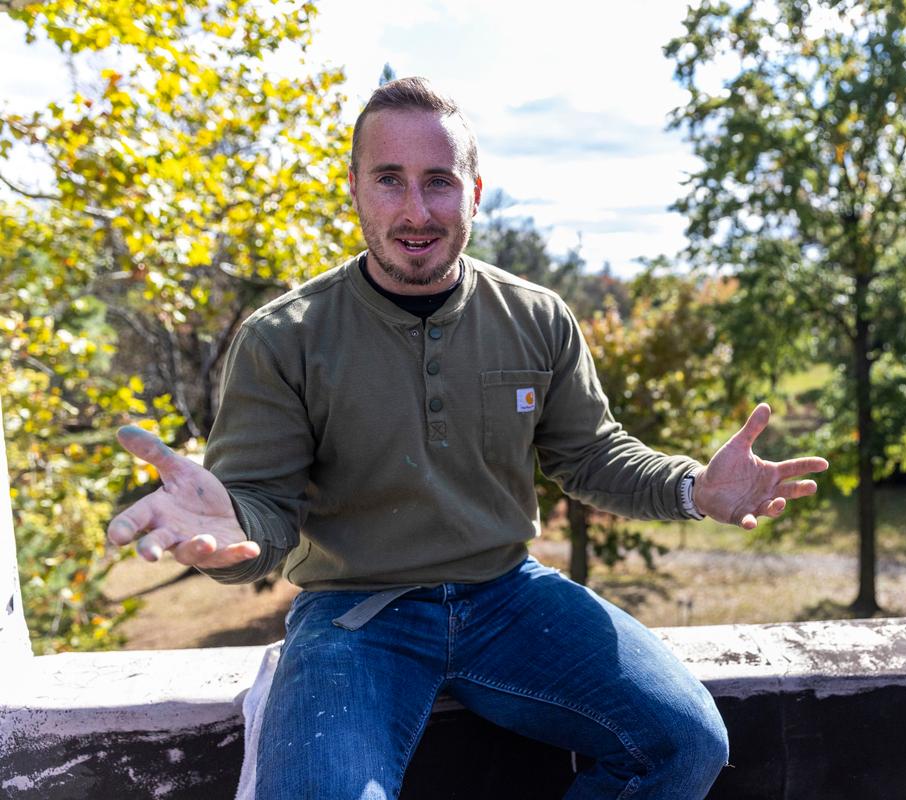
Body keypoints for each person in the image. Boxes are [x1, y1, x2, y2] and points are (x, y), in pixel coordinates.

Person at [107, 77, 829, 799]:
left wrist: (693, 489)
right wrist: (233, 532)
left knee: (685, 742)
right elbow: (259, 513)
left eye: (439, 182)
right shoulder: (282, 338)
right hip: (355, 615)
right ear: (354, 188)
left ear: (475, 193)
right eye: (389, 180)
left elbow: (590, 455)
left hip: (509, 597)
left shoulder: (537, 317)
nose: (416, 211)